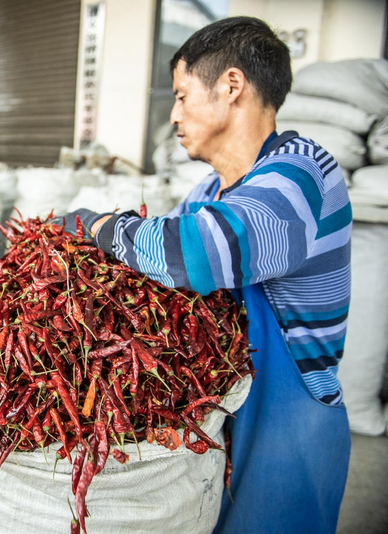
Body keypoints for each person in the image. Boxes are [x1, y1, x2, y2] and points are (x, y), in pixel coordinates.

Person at [61, 17, 351, 533]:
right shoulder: (206, 194)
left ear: (231, 86)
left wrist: (99, 225)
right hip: (218, 421)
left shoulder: (302, 172)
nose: (173, 114)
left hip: (288, 431)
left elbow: (195, 253)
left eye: (181, 95)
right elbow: (153, 267)